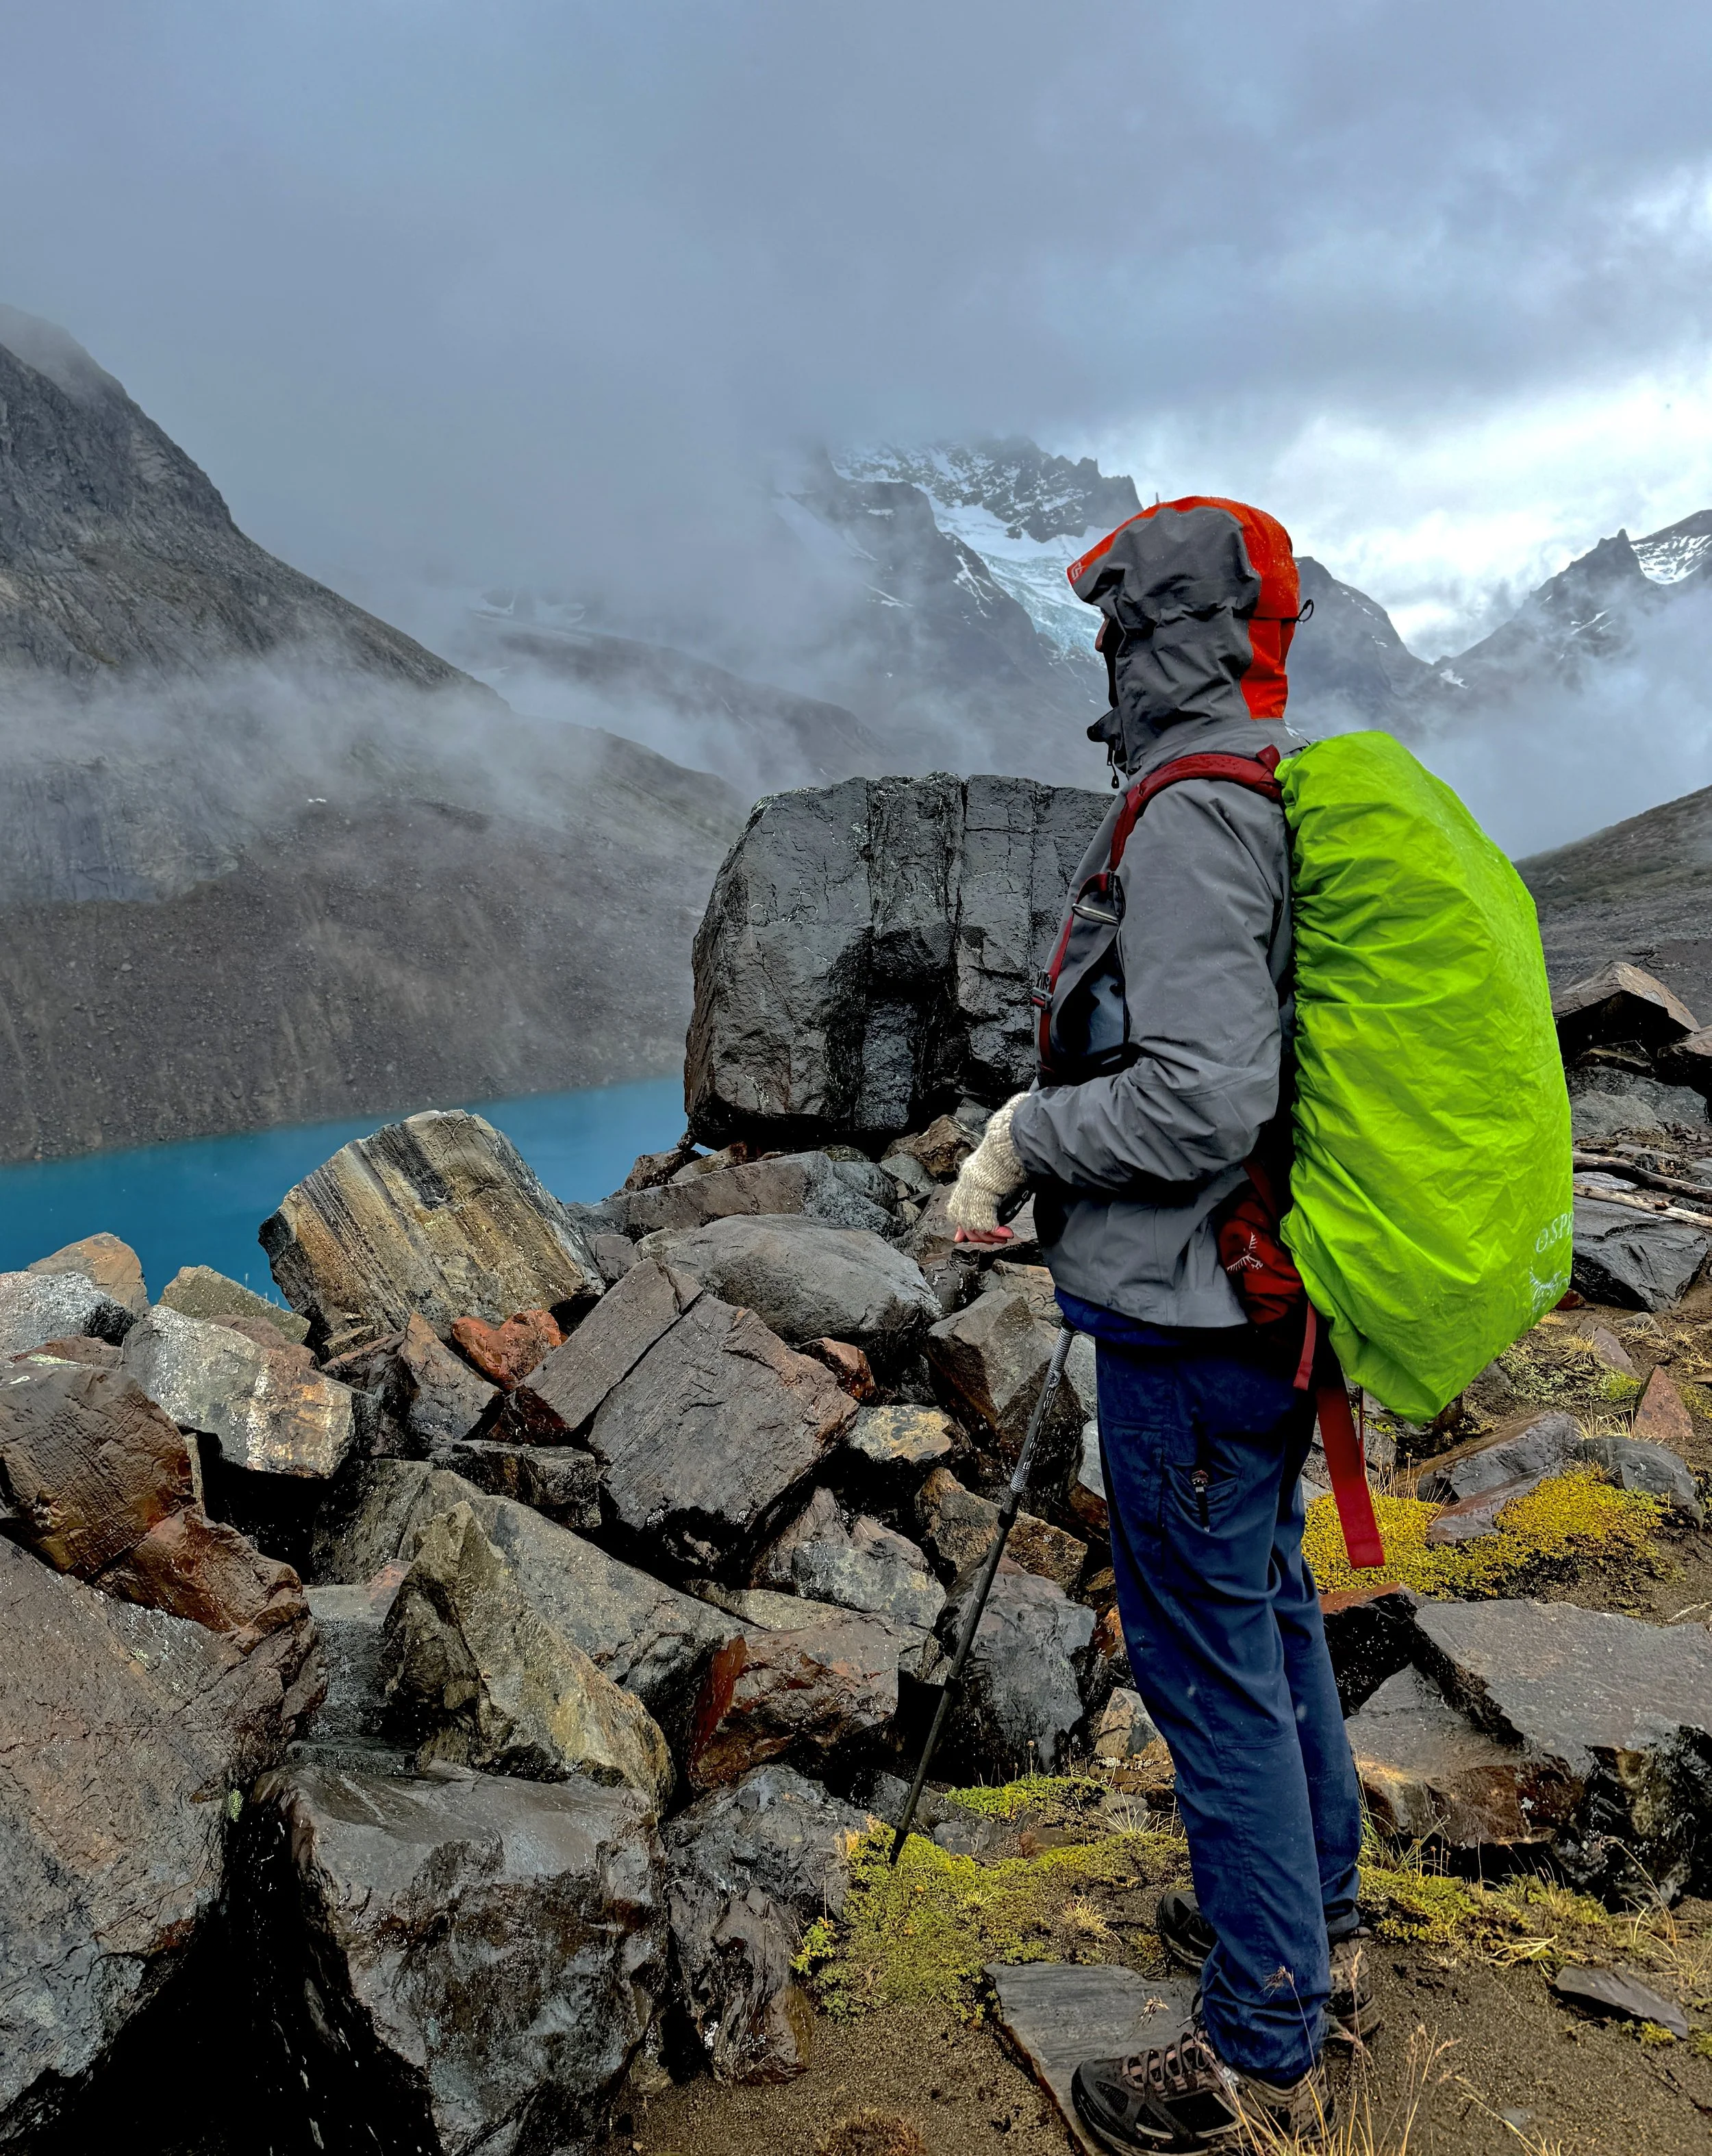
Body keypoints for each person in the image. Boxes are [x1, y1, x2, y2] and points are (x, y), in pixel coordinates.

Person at [946, 497, 1376, 2150]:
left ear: (1161, 633)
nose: (1099, 660)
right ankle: (1313, 1940)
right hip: (1249, 1314)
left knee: (1207, 1667)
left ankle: (1258, 2053)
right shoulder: (1248, 780)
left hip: (1196, 1329)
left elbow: (1201, 1097)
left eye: (1113, 629)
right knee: (1264, 1626)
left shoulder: (1190, 812)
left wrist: (1025, 1136)